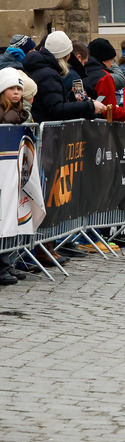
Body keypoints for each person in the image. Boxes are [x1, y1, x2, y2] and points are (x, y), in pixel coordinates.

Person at [23, 30, 105, 123]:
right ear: (66, 56)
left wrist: (72, 98)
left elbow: (50, 102)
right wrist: (89, 106)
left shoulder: (38, 68)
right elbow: (56, 109)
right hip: (47, 132)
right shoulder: (49, 74)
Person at [0, 68, 30, 285]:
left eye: (19, 88)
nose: (17, 92)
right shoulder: (6, 112)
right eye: (12, 88)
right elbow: (8, 119)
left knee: (11, 214)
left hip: (13, 171)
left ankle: (7, 261)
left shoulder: (20, 111)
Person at [82, 38, 125, 122]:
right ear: (104, 59)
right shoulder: (105, 78)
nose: (112, 64)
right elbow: (111, 113)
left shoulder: (80, 72)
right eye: (111, 60)